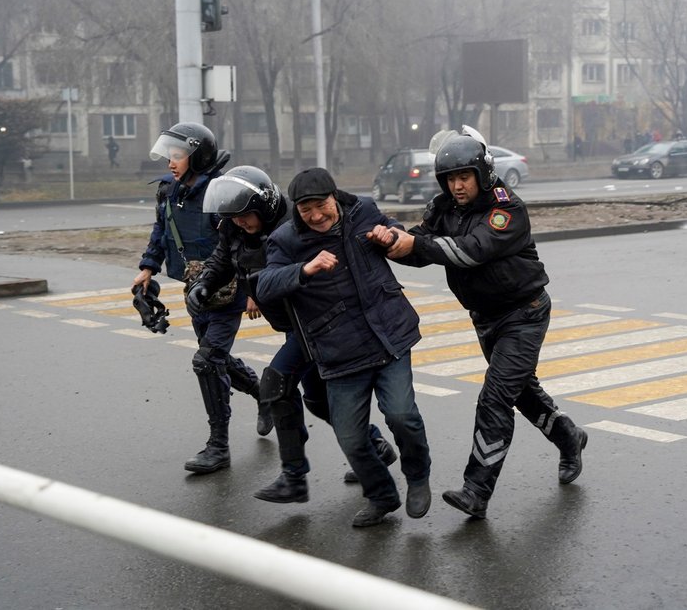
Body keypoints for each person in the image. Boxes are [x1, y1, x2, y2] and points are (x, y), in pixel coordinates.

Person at [368, 126, 587, 520]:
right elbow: (421, 245)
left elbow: (471, 251)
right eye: (450, 178)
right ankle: (568, 436)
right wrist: (390, 240)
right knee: (520, 393)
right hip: (485, 317)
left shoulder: (507, 209)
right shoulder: (443, 208)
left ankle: (476, 490)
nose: (457, 186)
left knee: (496, 396)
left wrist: (415, 244)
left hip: (525, 313)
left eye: (463, 176)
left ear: (482, 174)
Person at [187, 166, 397, 503]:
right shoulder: (235, 229)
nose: (240, 223)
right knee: (317, 400)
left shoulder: (294, 226)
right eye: (233, 218)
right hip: (293, 325)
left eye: (245, 216)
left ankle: (294, 477)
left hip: (319, 321)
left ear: (265, 205)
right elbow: (223, 258)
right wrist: (204, 284)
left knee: (275, 383)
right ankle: (374, 447)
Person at [255, 167, 432, 528]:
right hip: (339, 350)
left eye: (321, 205)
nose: (316, 216)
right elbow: (266, 285)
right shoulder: (285, 240)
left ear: (335, 197)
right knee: (350, 437)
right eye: (306, 210)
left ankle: (417, 478)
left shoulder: (363, 210)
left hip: (388, 335)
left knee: (402, 415)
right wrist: (305, 269)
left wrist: (391, 234)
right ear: (296, 210)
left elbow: (396, 231)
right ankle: (382, 495)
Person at [132, 122, 271, 475]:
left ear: (197, 156)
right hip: (195, 290)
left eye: (177, 156)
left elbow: (246, 242)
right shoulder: (168, 191)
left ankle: (218, 447)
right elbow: (161, 231)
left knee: (208, 361)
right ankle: (264, 393)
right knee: (216, 358)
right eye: (169, 156)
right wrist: (147, 268)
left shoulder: (220, 193)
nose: (170, 163)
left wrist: (254, 290)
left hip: (230, 291)